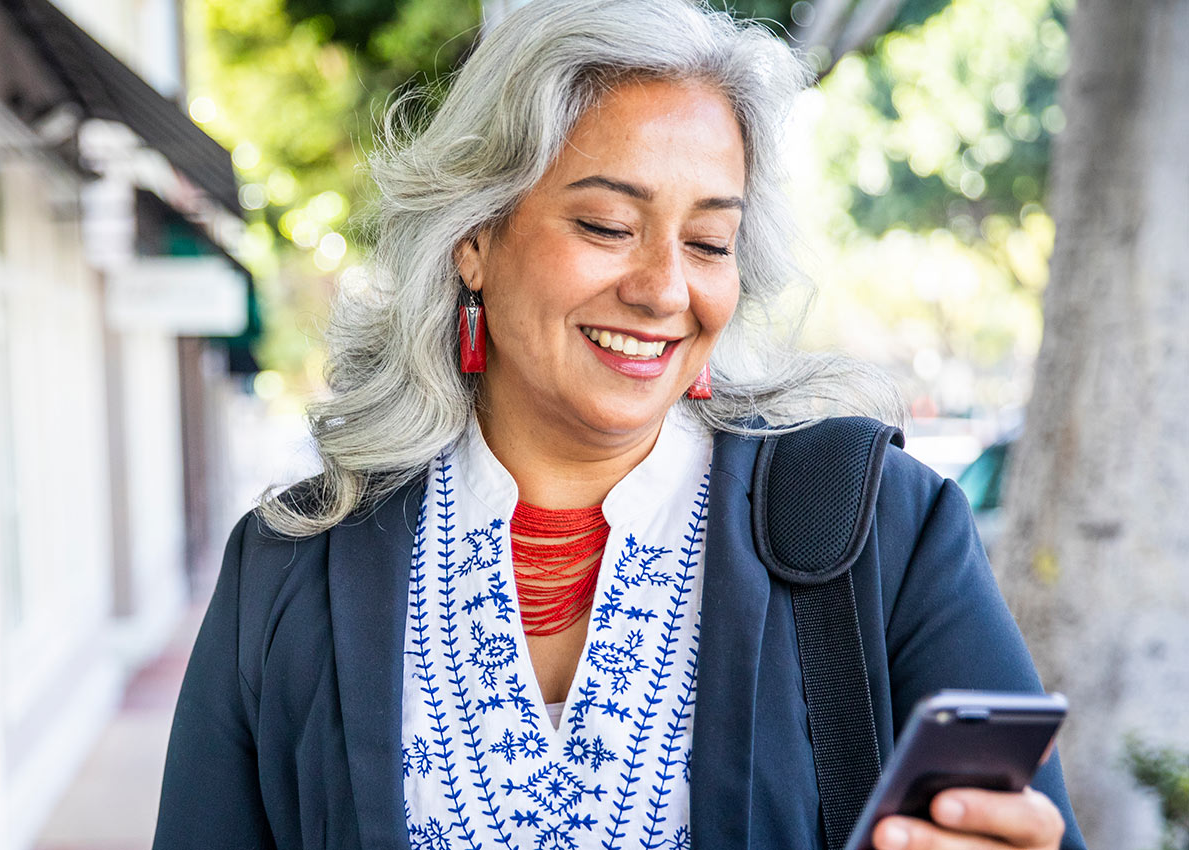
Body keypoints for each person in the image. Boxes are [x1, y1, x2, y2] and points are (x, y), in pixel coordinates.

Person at [152, 1, 1088, 849]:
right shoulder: (291, 568)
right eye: (605, 226)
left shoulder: (881, 530)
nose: (663, 290)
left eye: (708, 243)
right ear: (473, 239)